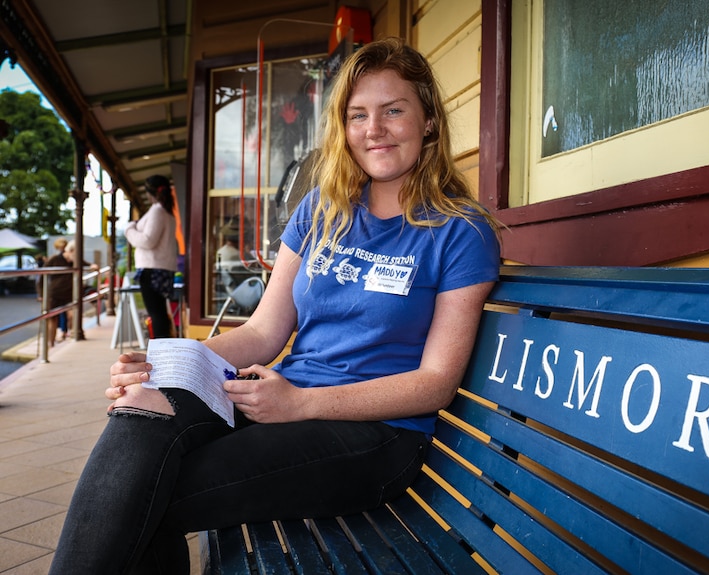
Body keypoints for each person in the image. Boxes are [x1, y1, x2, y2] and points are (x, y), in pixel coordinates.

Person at [49, 37, 501, 574]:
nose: (373, 129)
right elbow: (263, 332)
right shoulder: (321, 209)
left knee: (141, 493)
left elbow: (435, 383)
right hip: (280, 398)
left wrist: (302, 405)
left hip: (376, 433)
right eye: (358, 115)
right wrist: (163, 364)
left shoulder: (459, 231)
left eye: (393, 110)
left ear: (428, 120)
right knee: (142, 410)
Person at [124, 175, 179, 338]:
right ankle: (164, 350)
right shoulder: (167, 212)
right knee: (159, 312)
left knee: (156, 313)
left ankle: (161, 352)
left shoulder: (157, 211)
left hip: (152, 269)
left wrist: (130, 229)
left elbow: (148, 240)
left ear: (149, 193)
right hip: (161, 268)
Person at [43, 239, 96, 344]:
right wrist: (41, 294)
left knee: (73, 315)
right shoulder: (54, 259)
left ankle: (71, 336)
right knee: (53, 319)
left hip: (70, 293)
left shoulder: (75, 260)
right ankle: (50, 344)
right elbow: (41, 275)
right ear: (70, 251)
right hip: (55, 294)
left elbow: (84, 263)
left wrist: (92, 266)